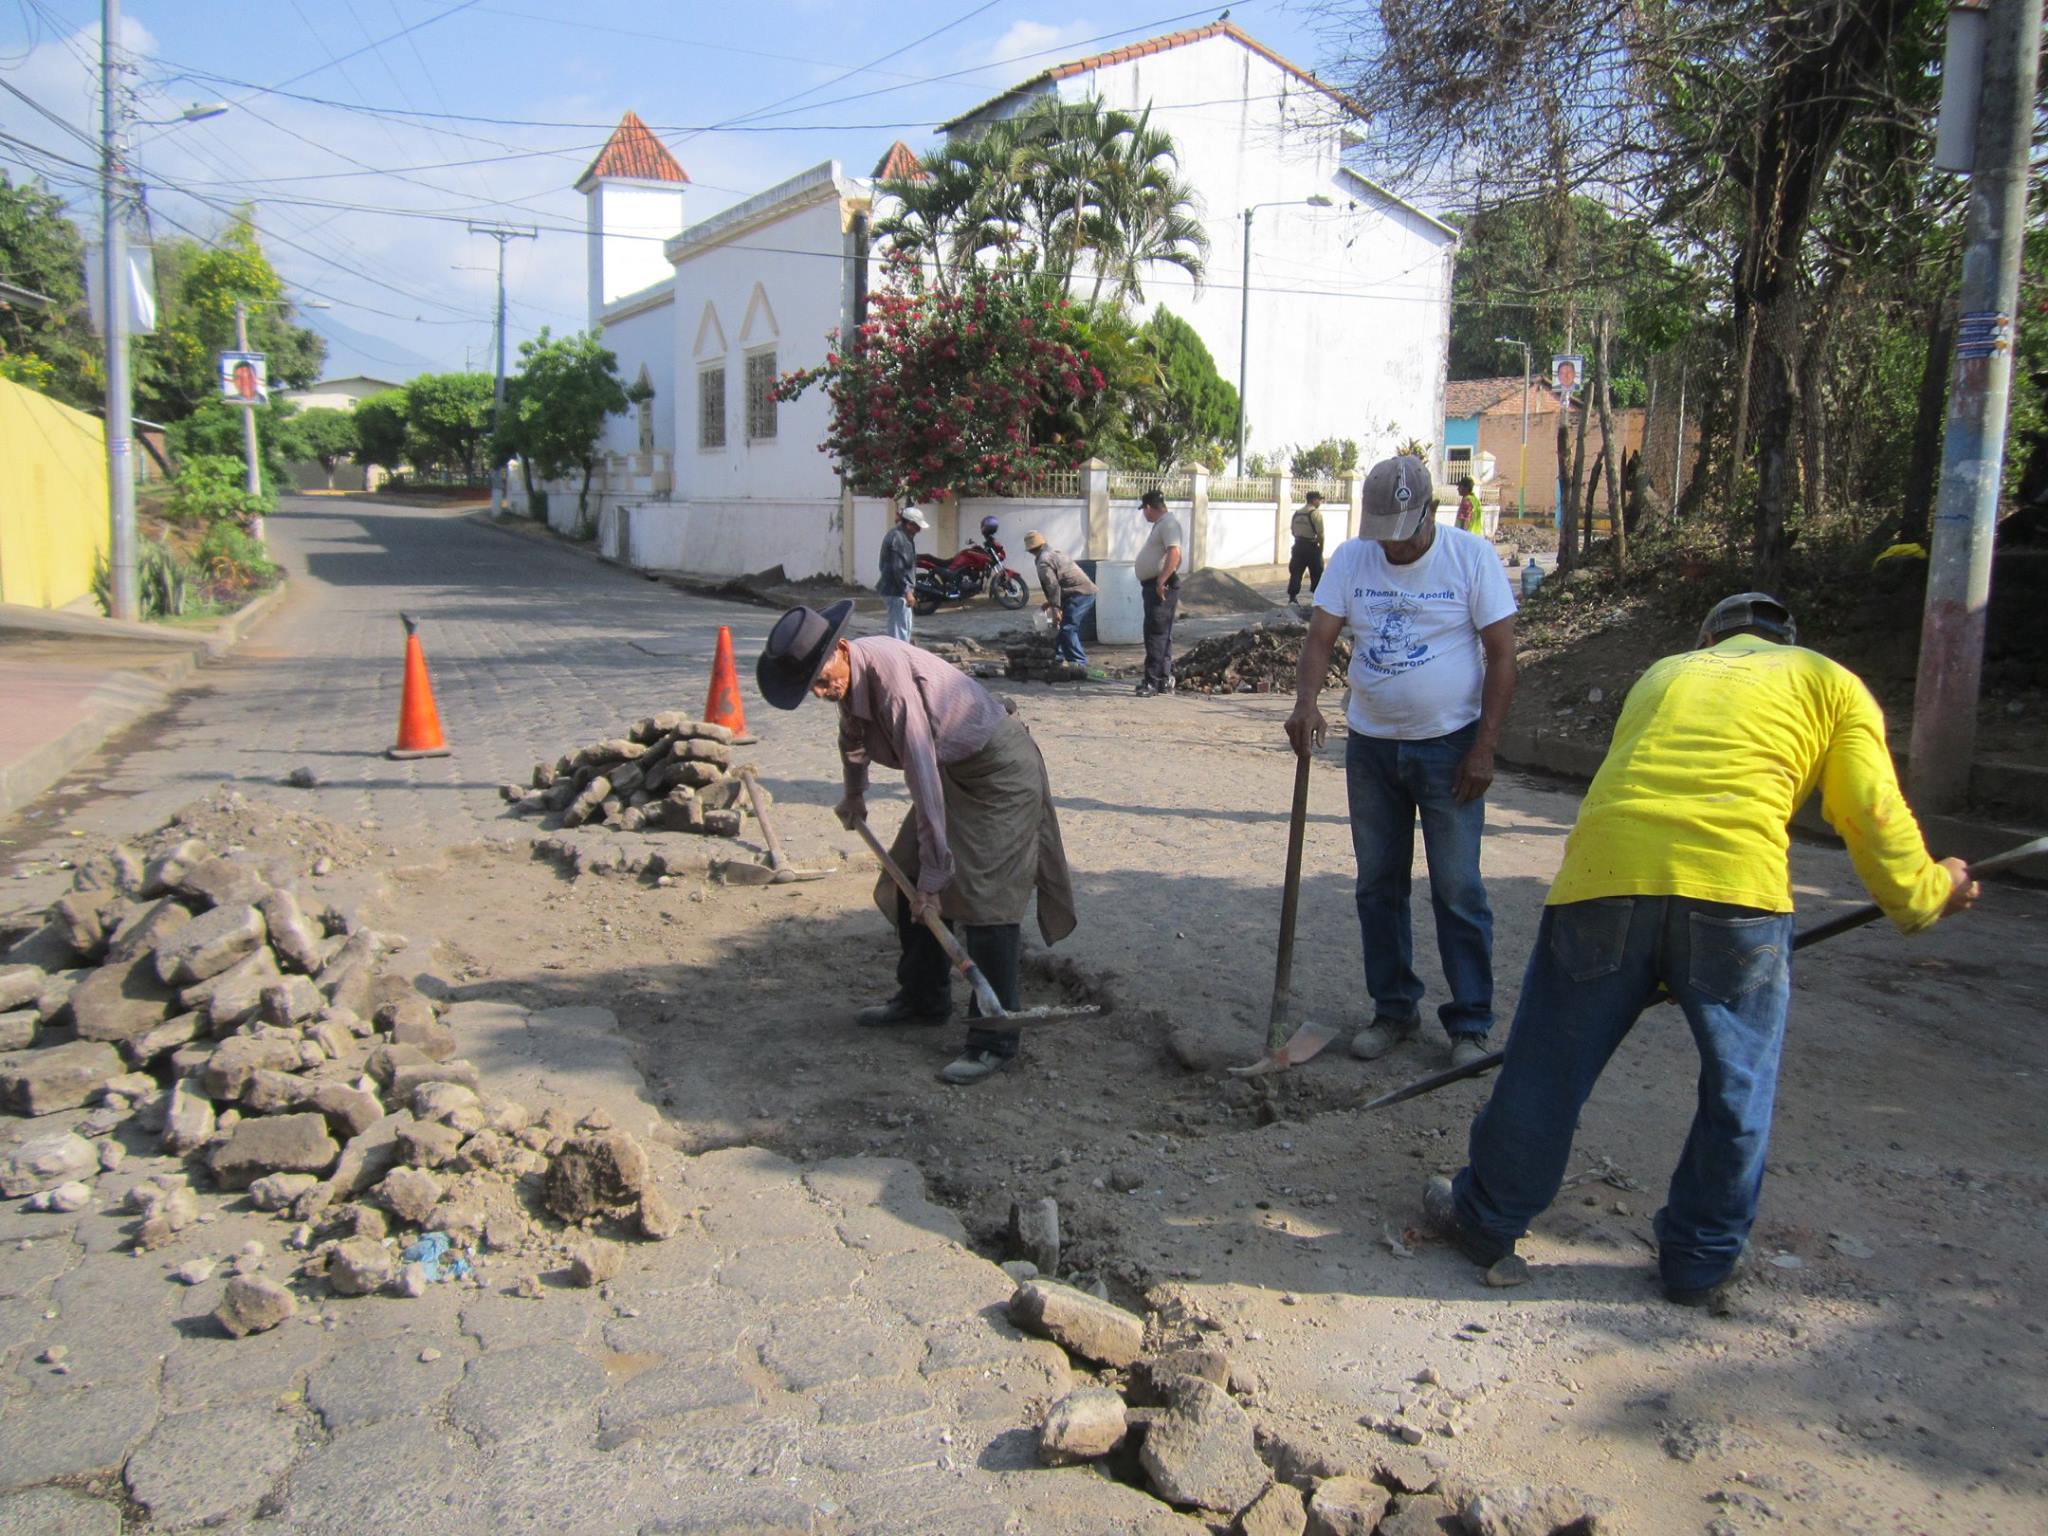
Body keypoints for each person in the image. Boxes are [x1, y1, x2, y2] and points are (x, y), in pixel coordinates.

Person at [1423, 593, 1979, 1310]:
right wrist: (1930, 891)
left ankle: (1486, 1218)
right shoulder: (1830, 682)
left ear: (1709, 636)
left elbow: (1635, 782)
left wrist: (1646, 957)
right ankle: (1699, 1260)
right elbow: (1868, 811)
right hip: (1735, 897)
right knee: (1736, 1086)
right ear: (1787, 637)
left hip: (1605, 881)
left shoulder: (1664, 673)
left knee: (1546, 1066)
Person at [756, 601, 1077, 1086]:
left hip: (998, 773)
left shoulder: (889, 681)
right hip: (953, 767)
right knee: (904, 875)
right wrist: (854, 795)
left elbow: (922, 778)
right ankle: (924, 997)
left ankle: (995, 1038)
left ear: (840, 649)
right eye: (814, 689)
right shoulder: (850, 675)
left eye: (823, 680)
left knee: (986, 895)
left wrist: (936, 876)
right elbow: (853, 736)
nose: (824, 693)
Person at [1286, 455, 1518, 1070]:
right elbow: (1320, 638)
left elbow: (1502, 656)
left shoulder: (1471, 558)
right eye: (1381, 530)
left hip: (1449, 747)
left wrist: (1484, 747)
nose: (1391, 543)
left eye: (1403, 530)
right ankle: (1393, 1010)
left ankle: (1470, 1023)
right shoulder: (1351, 559)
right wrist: (1306, 703)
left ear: (1431, 514)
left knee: (1457, 887)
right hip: (1371, 748)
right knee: (1376, 884)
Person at [1134, 489, 1183, 697]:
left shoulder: (1169, 524)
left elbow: (1175, 552)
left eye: (1143, 511)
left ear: (1148, 508)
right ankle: (1162, 679)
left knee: (1156, 634)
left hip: (1161, 585)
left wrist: (1161, 580)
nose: (1144, 515)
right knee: (1161, 634)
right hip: (1155, 584)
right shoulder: (1162, 525)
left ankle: (1152, 682)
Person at [1025, 530, 1097, 668]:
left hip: (1080, 594)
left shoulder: (1043, 561)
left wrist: (1055, 607)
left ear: (1030, 549)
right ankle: (1056, 657)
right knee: (1055, 626)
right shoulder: (1055, 554)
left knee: (1067, 628)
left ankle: (1078, 662)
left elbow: (1052, 585)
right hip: (1075, 592)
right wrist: (1052, 604)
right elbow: (1060, 582)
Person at [877, 506, 926, 643]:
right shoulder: (898, 539)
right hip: (896, 591)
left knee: (902, 628)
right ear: (909, 524)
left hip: (896, 590)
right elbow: (897, 568)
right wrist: (907, 591)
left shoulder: (902, 536)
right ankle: (898, 661)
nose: (919, 530)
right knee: (899, 633)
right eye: (917, 526)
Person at [1287, 490, 1326, 607]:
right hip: (1311, 546)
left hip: (1298, 545)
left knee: (1296, 572)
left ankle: (1292, 598)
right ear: (1314, 500)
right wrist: (1321, 550)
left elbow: (1293, 531)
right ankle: (1317, 598)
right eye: (1319, 499)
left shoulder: (1297, 513)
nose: (1320, 502)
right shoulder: (1315, 513)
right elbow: (1321, 534)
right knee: (1316, 572)